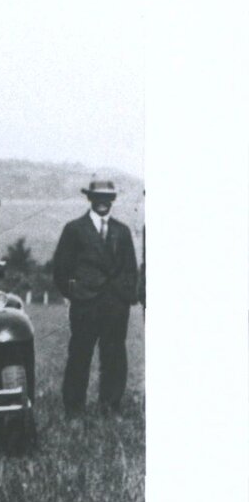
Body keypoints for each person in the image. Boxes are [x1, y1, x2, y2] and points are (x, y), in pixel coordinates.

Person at [50, 174, 143, 416]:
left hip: (115, 306)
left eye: (107, 198)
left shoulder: (121, 231)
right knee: (80, 355)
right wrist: (76, 293)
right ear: (90, 199)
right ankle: (74, 407)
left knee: (114, 357)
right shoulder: (74, 229)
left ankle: (110, 406)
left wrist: (125, 296)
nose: (103, 202)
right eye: (98, 197)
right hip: (85, 305)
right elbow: (60, 269)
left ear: (112, 200)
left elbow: (130, 267)